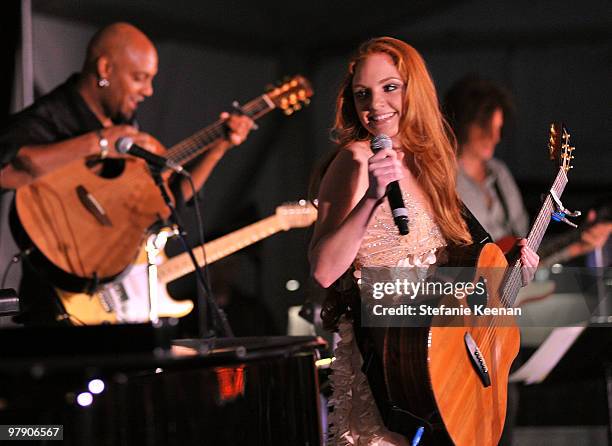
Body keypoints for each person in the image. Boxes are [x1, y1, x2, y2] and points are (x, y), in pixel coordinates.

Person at [308, 37, 539, 446]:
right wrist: (372, 198)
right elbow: (324, 270)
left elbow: (454, 275)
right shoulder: (354, 161)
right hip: (387, 375)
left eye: (390, 87)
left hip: (439, 367)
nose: (376, 104)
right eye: (363, 93)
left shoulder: (430, 164)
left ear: (414, 89)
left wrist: (513, 275)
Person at [0, 22, 253, 324]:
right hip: (52, 301)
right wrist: (102, 142)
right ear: (105, 68)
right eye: (139, 78)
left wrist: (219, 147)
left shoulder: (124, 121)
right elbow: (10, 166)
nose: (148, 91)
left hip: (111, 298)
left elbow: (164, 204)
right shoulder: (53, 116)